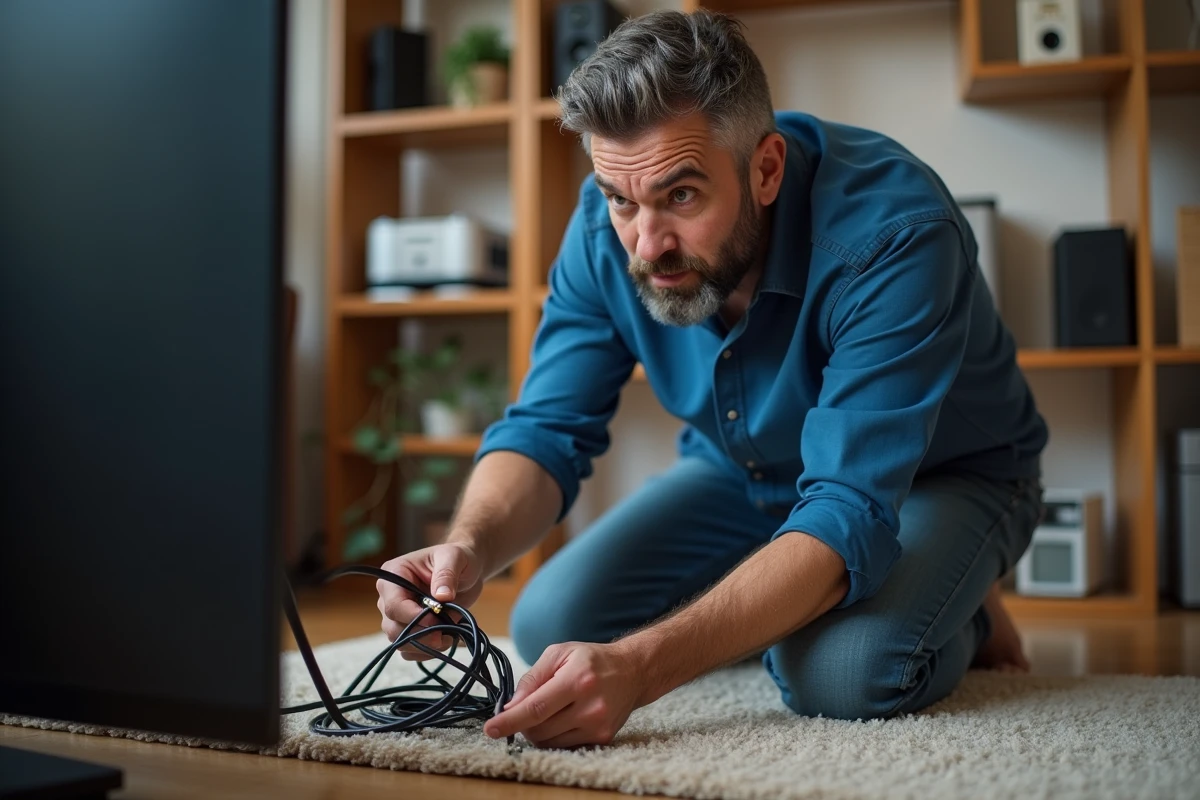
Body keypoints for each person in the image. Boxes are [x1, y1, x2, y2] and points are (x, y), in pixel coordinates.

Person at [376, 8, 1048, 750]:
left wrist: (640, 667)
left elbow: (849, 508)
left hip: (936, 478)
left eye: (682, 196)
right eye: (620, 198)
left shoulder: (894, 233)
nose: (646, 245)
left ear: (766, 169)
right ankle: (788, 594)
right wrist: (467, 548)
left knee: (839, 673)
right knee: (550, 622)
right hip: (745, 470)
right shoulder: (605, 229)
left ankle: (960, 603)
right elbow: (544, 429)